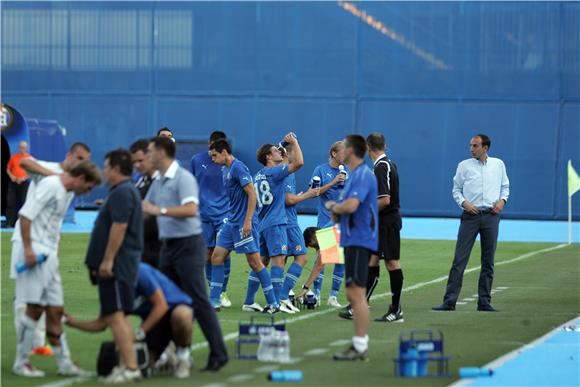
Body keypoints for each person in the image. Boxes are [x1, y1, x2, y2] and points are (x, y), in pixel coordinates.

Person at [143, 136, 228, 372]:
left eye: (149, 152)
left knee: (199, 300)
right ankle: (162, 355)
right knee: (164, 299)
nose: (147, 156)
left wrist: (158, 210)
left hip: (188, 246)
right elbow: (144, 210)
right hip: (168, 247)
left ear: (161, 153)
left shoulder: (183, 178)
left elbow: (191, 209)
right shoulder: (158, 180)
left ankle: (219, 354)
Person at [11, 161, 101, 377]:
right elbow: (25, 215)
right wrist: (29, 249)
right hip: (36, 253)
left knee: (55, 310)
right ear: (80, 179)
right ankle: (21, 362)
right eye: (88, 187)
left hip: (49, 256)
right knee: (34, 308)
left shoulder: (67, 192)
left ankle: (64, 363)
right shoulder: (51, 185)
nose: (86, 193)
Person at [65, 262, 194, 379]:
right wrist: (73, 322)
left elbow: (162, 306)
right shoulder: (111, 288)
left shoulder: (140, 271)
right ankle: (165, 358)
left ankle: (183, 357)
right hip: (153, 324)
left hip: (173, 310)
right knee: (144, 365)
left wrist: (139, 333)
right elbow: (102, 322)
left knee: (181, 314)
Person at [85, 149, 144, 384]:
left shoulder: (122, 192)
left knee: (116, 316)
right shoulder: (122, 191)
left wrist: (107, 260)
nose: (104, 171)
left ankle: (130, 367)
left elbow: (119, 227)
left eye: (107, 166)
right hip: (120, 264)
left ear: (117, 168)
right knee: (118, 316)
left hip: (117, 265)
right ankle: (130, 363)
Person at [433, 134, 510, 312]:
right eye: (471, 146)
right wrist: (463, 203)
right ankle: (449, 301)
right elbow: (456, 189)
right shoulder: (464, 166)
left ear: (486, 148)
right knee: (460, 259)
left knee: (488, 261)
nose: (471, 149)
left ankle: (484, 302)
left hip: (491, 216)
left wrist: (502, 201)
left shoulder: (498, 165)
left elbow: (505, 186)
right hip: (470, 217)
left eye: (475, 146)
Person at [207, 139, 279, 315]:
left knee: (255, 262)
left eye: (214, 155)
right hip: (231, 222)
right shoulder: (225, 170)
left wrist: (247, 221)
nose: (213, 159)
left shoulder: (239, 167)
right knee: (216, 257)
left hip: (243, 223)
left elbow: (252, 194)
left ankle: (274, 304)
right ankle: (214, 301)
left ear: (224, 152)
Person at [339, 133, 405, 322]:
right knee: (372, 261)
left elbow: (384, 200)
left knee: (392, 263)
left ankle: (396, 309)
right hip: (384, 222)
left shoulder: (381, 167)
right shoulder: (388, 164)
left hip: (387, 222)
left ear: (368, 147)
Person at [326, 134, 378, 361]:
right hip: (351, 239)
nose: (341, 150)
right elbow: (344, 211)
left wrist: (334, 206)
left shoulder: (363, 175)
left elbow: (351, 205)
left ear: (352, 151)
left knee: (357, 293)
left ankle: (360, 345)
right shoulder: (354, 175)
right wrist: (337, 212)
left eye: (345, 147)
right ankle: (359, 345)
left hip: (360, 239)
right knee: (352, 292)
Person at [247, 134, 305, 314]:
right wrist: (294, 142)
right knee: (278, 262)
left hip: (263, 223)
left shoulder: (258, 176)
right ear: (268, 157)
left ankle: (249, 300)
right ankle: (277, 301)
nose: (278, 151)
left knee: (261, 261)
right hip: (276, 222)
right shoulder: (274, 172)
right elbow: (299, 164)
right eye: (274, 150)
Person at [190, 131, 232, 308]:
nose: (212, 151)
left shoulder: (230, 163)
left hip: (224, 214)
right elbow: (191, 183)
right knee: (208, 255)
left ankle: (222, 292)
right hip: (203, 215)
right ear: (209, 143)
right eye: (211, 146)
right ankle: (213, 290)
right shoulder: (197, 160)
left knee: (221, 253)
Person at [310, 141, 348, 306]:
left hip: (343, 222)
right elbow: (313, 193)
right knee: (322, 259)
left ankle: (333, 296)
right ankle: (316, 294)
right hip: (325, 220)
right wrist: (333, 182)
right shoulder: (320, 170)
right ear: (334, 153)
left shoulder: (347, 172)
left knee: (341, 260)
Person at [130, 139, 161, 267]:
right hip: (144, 247)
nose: (137, 165)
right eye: (134, 162)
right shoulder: (141, 181)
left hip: (162, 249)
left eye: (140, 160)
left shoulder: (165, 181)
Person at [6, 141, 32, 226]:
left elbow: (32, 171)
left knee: (24, 202)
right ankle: (9, 223)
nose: (22, 149)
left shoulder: (29, 158)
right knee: (11, 203)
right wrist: (12, 176)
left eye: (24, 148)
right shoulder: (13, 157)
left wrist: (24, 178)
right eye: (21, 147)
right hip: (13, 182)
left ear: (26, 148)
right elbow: (8, 169)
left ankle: (22, 223)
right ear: (19, 148)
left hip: (24, 183)